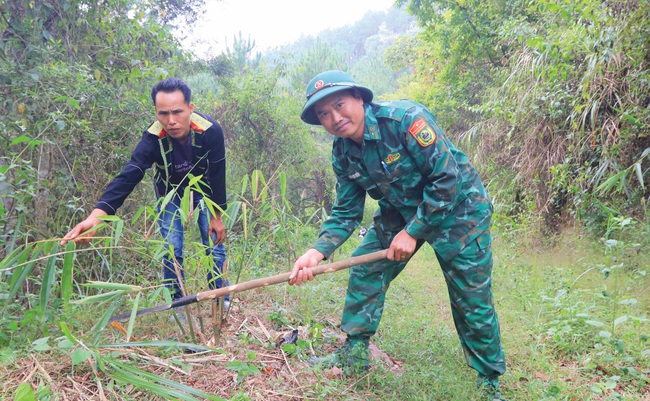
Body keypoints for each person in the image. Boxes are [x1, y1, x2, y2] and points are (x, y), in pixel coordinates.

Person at [289, 70, 506, 400]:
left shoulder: (406, 120)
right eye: (323, 114)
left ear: (359, 98)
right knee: (366, 270)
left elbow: (447, 180)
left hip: (459, 210)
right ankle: (355, 352)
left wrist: (413, 232)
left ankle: (488, 381)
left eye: (340, 105)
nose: (335, 118)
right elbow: (346, 212)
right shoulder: (343, 152)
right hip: (400, 212)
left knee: (471, 297)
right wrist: (316, 252)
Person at [62, 77, 230, 310]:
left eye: (177, 112)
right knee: (172, 248)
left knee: (213, 243)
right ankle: (178, 306)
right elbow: (130, 174)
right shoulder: (153, 138)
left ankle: (222, 300)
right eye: (163, 114)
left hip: (204, 192)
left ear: (190, 108)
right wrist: (96, 217)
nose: (170, 121)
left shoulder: (210, 130)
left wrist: (217, 216)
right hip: (169, 194)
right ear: (156, 112)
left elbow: (218, 173)